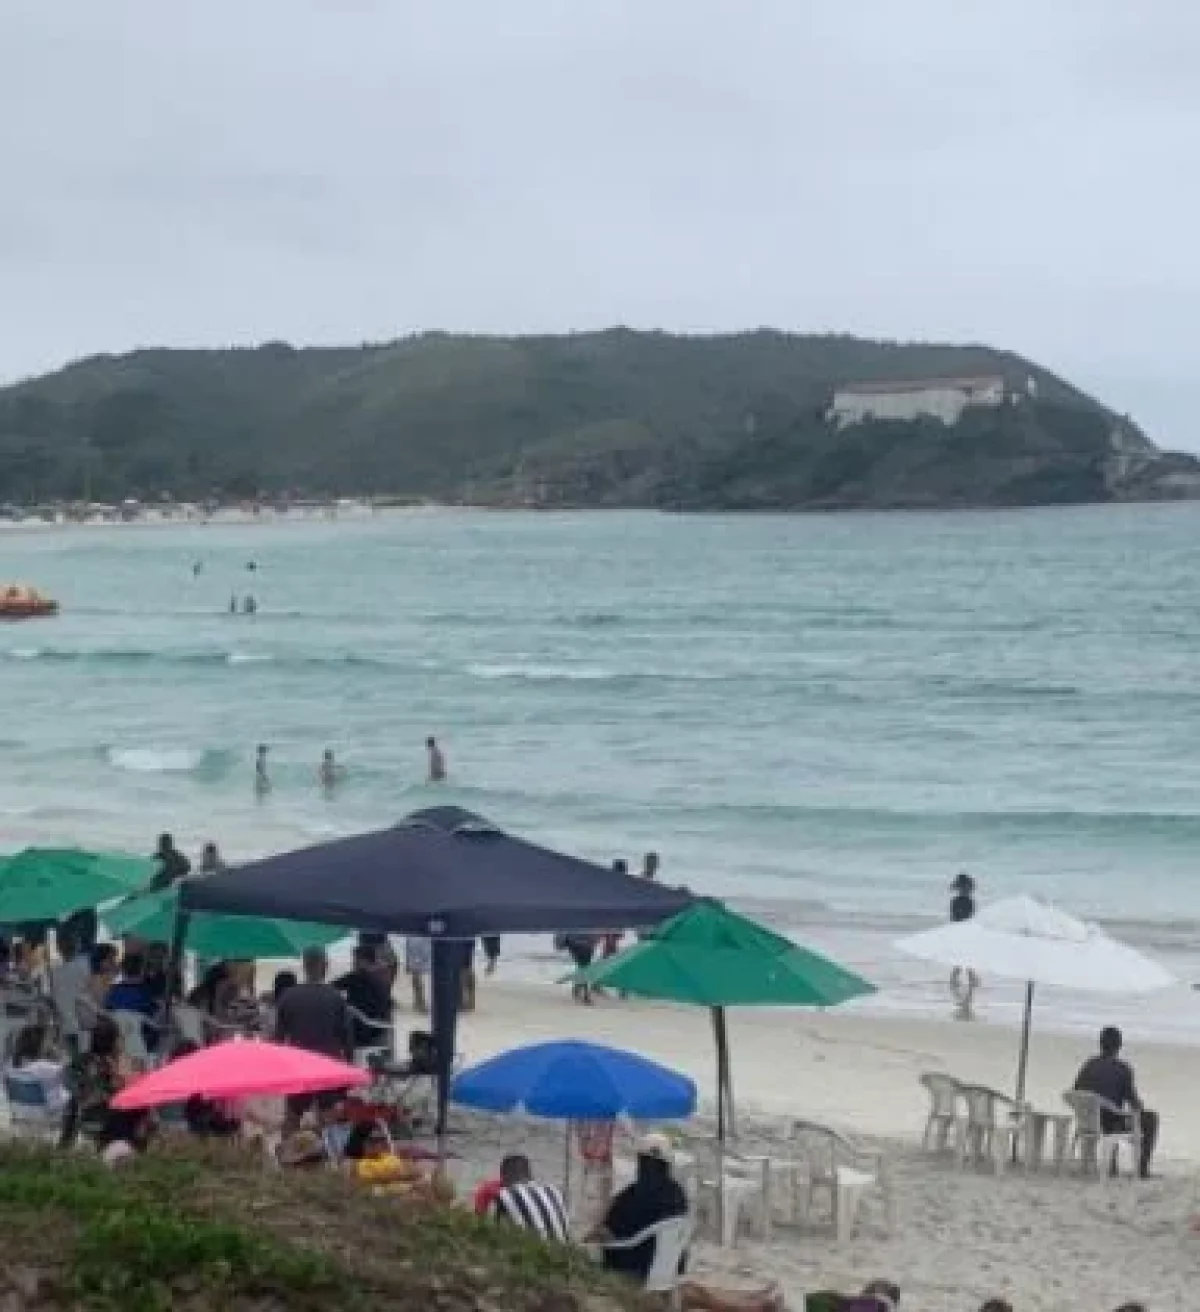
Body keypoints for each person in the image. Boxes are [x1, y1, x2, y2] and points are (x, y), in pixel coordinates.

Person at [591, 1133, 782, 1312]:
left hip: (635, 1279)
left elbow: (603, 1237)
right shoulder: (677, 1194)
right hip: (665, 1274)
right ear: (667, 1163)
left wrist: (599, 1226)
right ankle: (754, 1301)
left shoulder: (625, 1198)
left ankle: (754, 1302)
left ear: (640, 1162)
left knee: (697, 1292)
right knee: (696, 1291)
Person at [274, 946, 352, 1125]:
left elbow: (278, 1039)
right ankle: (327, 1152)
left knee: (292, 1118)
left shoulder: (288, 996)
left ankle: (287, 1151)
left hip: (299, 1065)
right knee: (327, 1119)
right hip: (327, 1064)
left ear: (304, 965)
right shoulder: (335, 997)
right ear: (324, 966)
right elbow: (347, 1039)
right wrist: (348, 1068)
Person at [1073, 1026, 1159, 1178]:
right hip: (1110, 1124)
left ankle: (1112, 1164)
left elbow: (1076, 1091)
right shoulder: (1123, 1069)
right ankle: (1142, 1170)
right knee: (1150, 1119)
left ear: (1100, 1043)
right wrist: (1140, 1108)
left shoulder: (1089, 1065)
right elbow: (1134, 1103)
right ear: (1119, 1046)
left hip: (1088, 1121)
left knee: (1113, 1112)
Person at [489, 1153, 570, 1242]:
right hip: (565, 1252)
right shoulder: (555, 1191)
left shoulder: (504, 1195)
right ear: (530, 1174)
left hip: (534, 1253)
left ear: (504, 1178)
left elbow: (496, 1233)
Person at [334, 944, 393, 1052]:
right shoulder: (383, 977)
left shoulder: (357, 977)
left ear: (363, 961)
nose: (353, 964)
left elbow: (331, 988)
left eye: (355, 960)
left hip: (361, 1030)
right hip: (380, 1028)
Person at [4, 1023, 68, 1110]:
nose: (50, 1043)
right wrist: (59, 1054)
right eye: (48, 1040)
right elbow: (66, 1075)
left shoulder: (10, 1063)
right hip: (47, 1112)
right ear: (39, 1043)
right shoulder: (44, 1067)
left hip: (19, 1110)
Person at [49, 928, 92, 1057]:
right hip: (83, 1024)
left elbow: (52, 999)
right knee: (84, 1061)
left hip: (65, 1024)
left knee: (71, 1061)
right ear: (77, 945)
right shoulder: (85, 967)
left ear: (58, 948)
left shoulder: (54, 973)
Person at [105, 951, 161, 1051]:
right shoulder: (147, 993)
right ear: (142, 970)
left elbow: (108, 1014)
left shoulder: (113, 991)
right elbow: (155, 1019)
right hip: (141, 1042)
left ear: (124, 970)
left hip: (117, 1041)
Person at [948, 872, 979, 1020]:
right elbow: (970, 918)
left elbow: (954, 918)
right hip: (964, 931)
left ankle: (960, 980)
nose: (969, 890)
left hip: (960, 931)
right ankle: (965, 981)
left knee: (962, 958)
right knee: (964, 958)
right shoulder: (968, 902)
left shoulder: (957, 901)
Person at [405, 936, 431, 1013]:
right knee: (417, 970)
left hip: (415, 936)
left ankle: (419, 1001)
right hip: (421, 937)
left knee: (416, 969)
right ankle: (419, 1002)